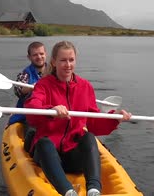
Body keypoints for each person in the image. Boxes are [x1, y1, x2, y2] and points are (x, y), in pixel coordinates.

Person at [25, 41, 132, 196]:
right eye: (63, 60)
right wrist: (50, 110)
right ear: (54, 62)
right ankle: (68, 192)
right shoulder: (43, 85)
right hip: (48, 155)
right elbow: (31, 110)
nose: (68, 65)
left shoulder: (85, 87)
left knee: (88, 136)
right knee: (43, 143)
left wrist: (114, 118)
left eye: (71, 60)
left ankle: (94, 189)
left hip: (72, 154)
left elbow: (94, 123)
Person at [7, 41, 47, 151]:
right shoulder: (25, 74)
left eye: (41, 53)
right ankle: (31, 150)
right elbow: (18, 91)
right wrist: (31, 87)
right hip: (30, 114)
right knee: (32, 131)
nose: (39, 57)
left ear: (45, 54)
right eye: (35, 55)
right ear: (29, 57)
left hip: (50, 111)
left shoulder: (54, 72)